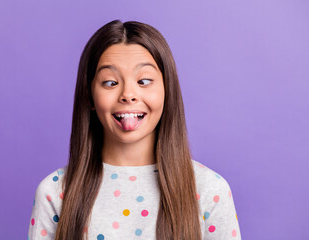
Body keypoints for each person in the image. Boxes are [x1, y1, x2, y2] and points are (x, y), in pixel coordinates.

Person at [28, 19, 241, 240]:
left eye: (144, 81)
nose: (128, 94)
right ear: (90, 95)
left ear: (167, 91)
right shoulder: (55, 193)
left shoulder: (209, 190)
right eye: (110, 82)